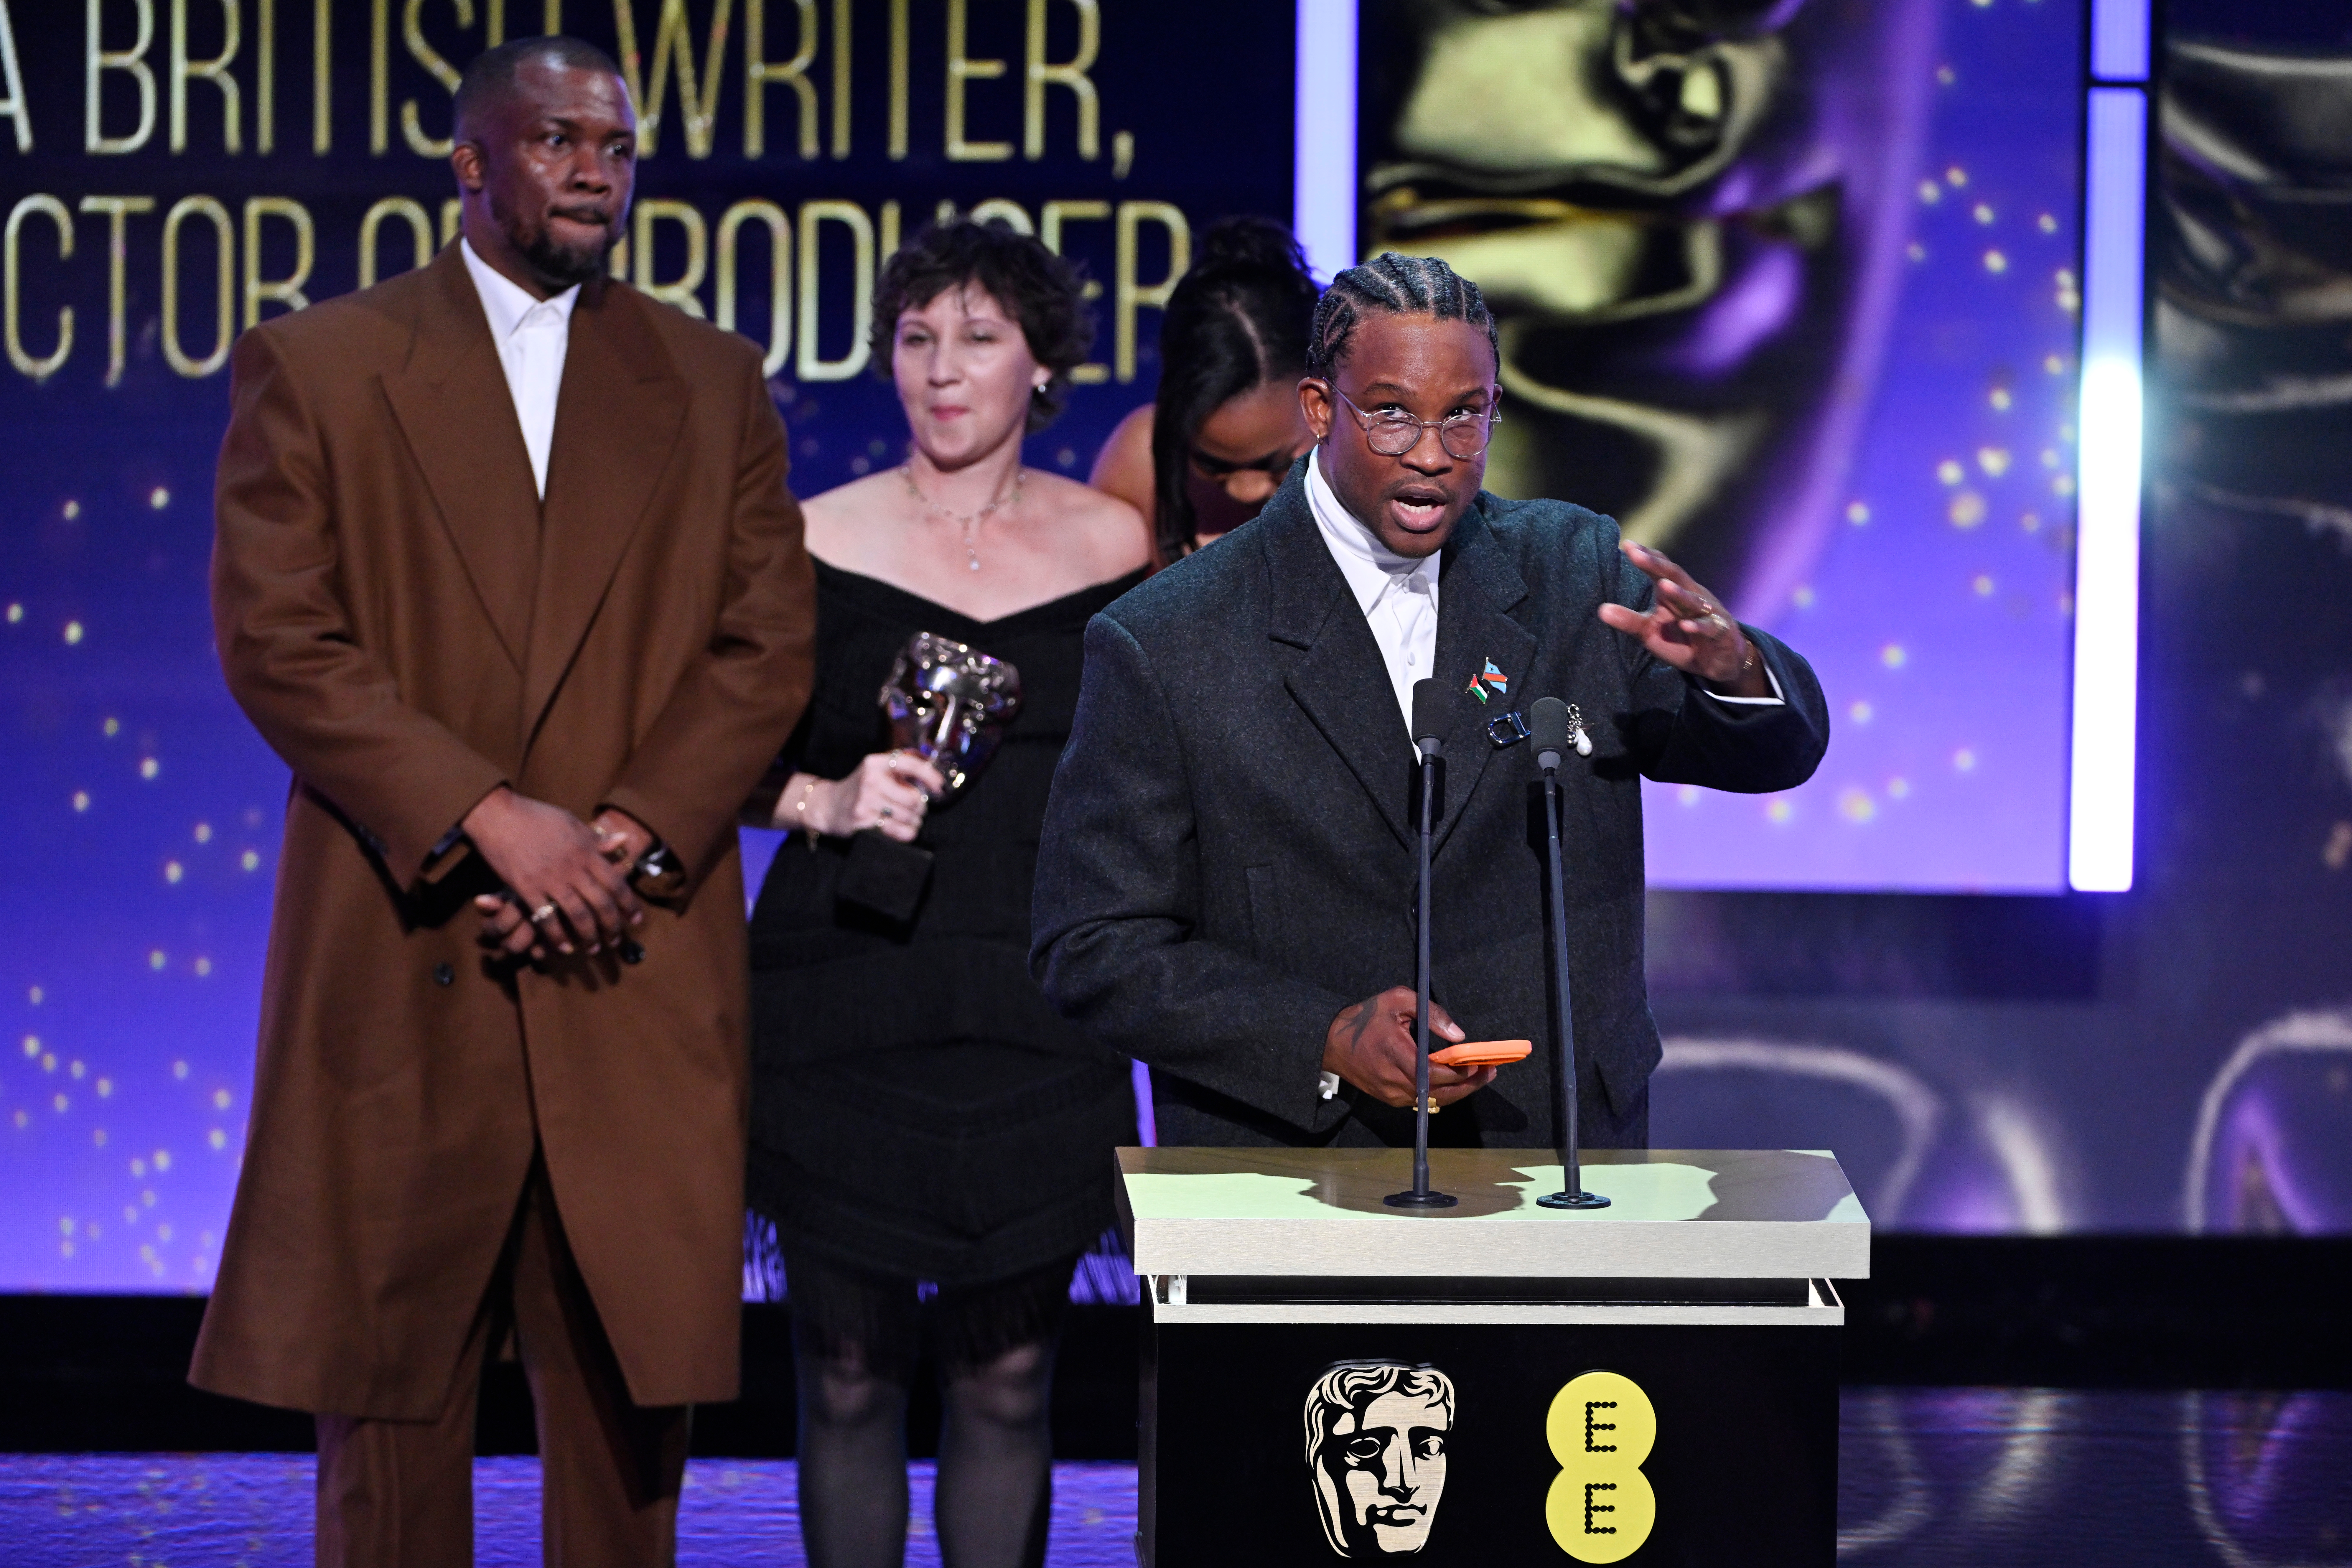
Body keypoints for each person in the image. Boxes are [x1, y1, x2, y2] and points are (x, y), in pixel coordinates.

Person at [194, 37, 816, 1564]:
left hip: (628, 941)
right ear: (469, 164)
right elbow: (280, 637)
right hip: (412, 948)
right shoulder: (324, 363)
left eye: (614, 140)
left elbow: (765, 642)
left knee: (624, 1422)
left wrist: (628, 831)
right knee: (391, 1418)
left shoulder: (708, 379)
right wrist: (490, 812)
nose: (595, 164)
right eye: (554, 138)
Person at [1031, 253, 1830, 1151]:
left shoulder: (1575, 574)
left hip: (1555, 1154)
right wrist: (1322, 1036)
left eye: (1463, 415)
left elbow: (1771, 753)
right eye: (1391, 415)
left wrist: (1732, 670)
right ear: (1319, 410)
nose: (1432, 455)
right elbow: (1093, 945)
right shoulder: (1169, 638)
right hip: (1296, 1182)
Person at [745, 219, 1150, 1568]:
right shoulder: (811, 539)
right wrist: (827, 797)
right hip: (845, 1000)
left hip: (1038, 1015)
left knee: (1006, 1381)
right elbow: (706, 753)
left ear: (1044, 366)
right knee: (848, 1378)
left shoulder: (1116, 549)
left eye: (978, 336)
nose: (943, 366)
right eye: (917, 336)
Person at [1087, 216, 1321, 564]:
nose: (1246, 490)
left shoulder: (1381, 462)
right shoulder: (1140, 464)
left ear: (1323, 397)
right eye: (1213, 464)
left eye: (1275, 462)